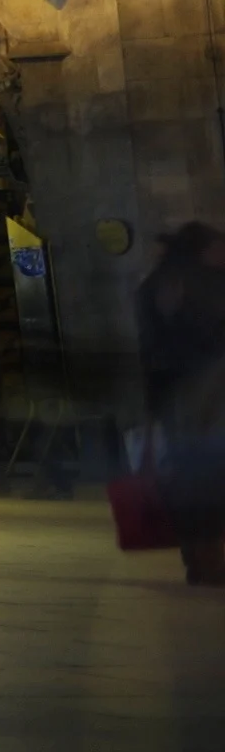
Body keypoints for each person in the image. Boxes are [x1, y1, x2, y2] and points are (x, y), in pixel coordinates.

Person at [142, 222, 225, 587]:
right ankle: (209, 561)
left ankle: (199, 560)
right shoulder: (195, 284)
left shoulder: (157, 283)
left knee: (192, 479)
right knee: (205, 480)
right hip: (201, 396)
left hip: (181, 397)